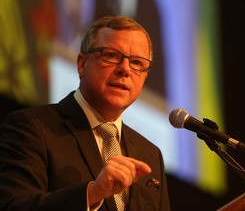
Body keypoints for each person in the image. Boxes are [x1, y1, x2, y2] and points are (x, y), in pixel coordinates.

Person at [0, 16, 170, 211]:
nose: (124, 69)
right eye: (111, 55)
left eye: (137, 63)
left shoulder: (150, 155)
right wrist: (92, 194)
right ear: (82, 64)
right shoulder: (31, 127)